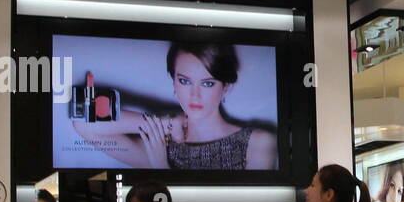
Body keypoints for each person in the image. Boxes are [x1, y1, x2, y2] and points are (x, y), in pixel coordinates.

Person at [71, 42, 277, 170]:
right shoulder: (160, 146)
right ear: (174, 82)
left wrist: (161, 166)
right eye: (185, 81)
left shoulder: (258, 142)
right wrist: (167, 124)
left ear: (225, 87)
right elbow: (84, 124)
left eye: (207, 83)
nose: (194, 95)